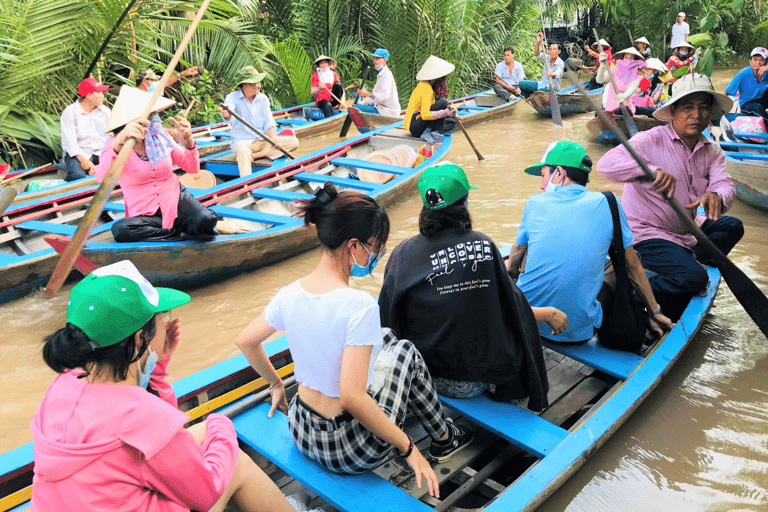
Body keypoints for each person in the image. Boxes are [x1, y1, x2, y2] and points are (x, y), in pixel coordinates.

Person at [235, 183, 473, 496]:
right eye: (375, 247)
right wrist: (409, 449)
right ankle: (444, 438)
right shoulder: (358, 306)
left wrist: (276, 384)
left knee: (385, 336)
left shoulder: (289, 294)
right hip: (348, 450)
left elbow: (246, 341)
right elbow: (351, 397)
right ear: (353, 246)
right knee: (405, 351)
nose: (376, 254)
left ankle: (426, 420)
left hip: (302, 430)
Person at [30, 260, 294, 512]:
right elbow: (206, 493)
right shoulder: (145, 419)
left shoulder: (63, 385)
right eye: (159, 317)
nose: (166, 322)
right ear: (138, 338)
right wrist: (220, 424)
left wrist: (157, 367)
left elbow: (156, 429)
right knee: (234, 463)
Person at [377, 163, 555, 410]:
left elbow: (387, 317)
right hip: (477, 381)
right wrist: (547, 313)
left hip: (424, 376)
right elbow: (513, 309)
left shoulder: (402, 254)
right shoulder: (483, 245)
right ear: (464, 203)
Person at [597, 74, 744, 321]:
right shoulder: (650, 139)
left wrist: (717, 195)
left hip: (687, 231)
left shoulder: (712, 150)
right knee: (696, 278)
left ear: (710, 113)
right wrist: (648, 171)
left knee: (733, 226)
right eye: (688, 107)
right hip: (647, 232)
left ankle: (692, 257)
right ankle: (633, 298)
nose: (696, 115)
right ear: (674, 111)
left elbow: (724, 183)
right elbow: (606, 164)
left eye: (703, 107)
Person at [508, 141, 673, 345]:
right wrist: (654, 310)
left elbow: (516, 251)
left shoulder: (534, 203)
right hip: (578, 331)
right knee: (622, 261)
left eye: (543, 176)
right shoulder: (608, 202)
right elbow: (632, 266)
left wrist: (511, 270)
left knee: (524, 247)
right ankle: (640, 314)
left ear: (558, 173)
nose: (542, 185)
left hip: (526, 321)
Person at [97, 86, 218, 242]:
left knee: (206, 220)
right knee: (121, 230)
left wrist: (188, 140)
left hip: (175, 199)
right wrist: (119, 142)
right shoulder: (115, 144)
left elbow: (192, 168)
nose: (153, 120)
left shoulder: (159, 136)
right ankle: (177, 232)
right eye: (149, 116)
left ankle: (174, 229)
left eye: (153, 115)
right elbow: (102, 179)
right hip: (144, 212)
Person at [219, 66, 299, 177]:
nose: (259, 86)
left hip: (263, 141)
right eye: (255, 83)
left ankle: (257, 155)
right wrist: (227, 114)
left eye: (259, 82)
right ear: (245, 85)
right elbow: (229, 111)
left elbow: (268, 122)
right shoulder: (232, 97)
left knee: (293, 142)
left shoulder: (263, 99)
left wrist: (274, 139)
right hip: (243, 142)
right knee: (243, 152)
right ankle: (247, 183)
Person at [60, 78, 111, 182]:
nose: (103, 95)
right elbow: (69, 143)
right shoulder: (70, 112)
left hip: (101, 152)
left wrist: (100, 166)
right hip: (79, 153)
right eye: (99, 92)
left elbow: (112, 138)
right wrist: (84, 161)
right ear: (89, 95)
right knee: (77, 176)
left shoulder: (105, 111)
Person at [403, 55, 457, 144]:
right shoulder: (426, 89)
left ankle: (432, 131)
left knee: (451, 122)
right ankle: (429, 131)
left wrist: (453, 114)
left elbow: (433, 109)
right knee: (443, 103)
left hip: (416, 124)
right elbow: (425, 115)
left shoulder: (424, 85)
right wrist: (445, 113)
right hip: (415, 126)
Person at [598, 47, 646, 114]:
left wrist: (625, 95)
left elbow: (631, 89)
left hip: (627, 109)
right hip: (611, 109)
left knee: (649, 111)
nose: (628, 60)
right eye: (626, 58)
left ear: (635, 60)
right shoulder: (614, 70)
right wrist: (602, 65)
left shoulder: (637, 76)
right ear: (623, 59)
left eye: (631, 58)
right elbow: (599, 80)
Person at [355, 48, 400, 117]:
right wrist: (361, 102)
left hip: (388, 111)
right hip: (380, 107)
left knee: (356, 109)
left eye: (378, 58)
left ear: (385, 61)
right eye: (374, 58)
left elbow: (384, 97)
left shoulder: (387, 75)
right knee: (356, 106)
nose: (375, 61)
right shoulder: (380, 75)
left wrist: (367, 94)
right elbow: (373, 98)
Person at [725, 47, 768, 119]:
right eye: (755, 60)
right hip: (747, 103)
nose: (758, 63)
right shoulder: (743, 73)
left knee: (760, 105)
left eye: (761, 60)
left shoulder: (766, 71)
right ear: (750, 61)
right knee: (757, 107)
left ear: (766, 62)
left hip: (762, 100)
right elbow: (726, 93)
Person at [519, 33, 564, 99]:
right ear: (548, 51)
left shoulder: (560, 63)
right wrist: (538, 42)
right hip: (542, 85)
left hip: (552, 90)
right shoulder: (547, 58)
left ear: (559, 51)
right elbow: (537, 54)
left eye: (555, 49)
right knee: (521, 84)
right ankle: (530, 99)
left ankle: (536, 97)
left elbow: (558, 72)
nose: (552, 51)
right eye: (551, 49)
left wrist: (552, 74)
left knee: (540, 93)